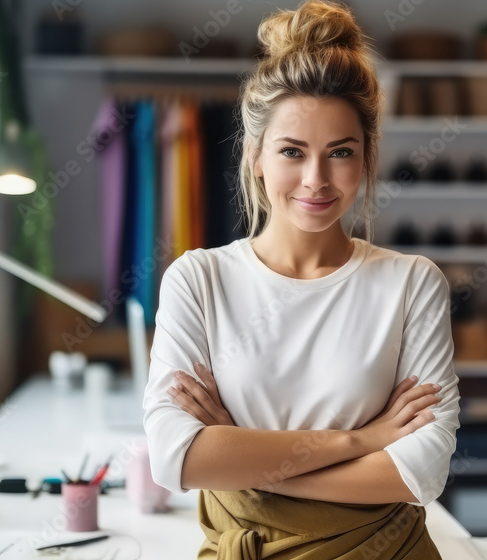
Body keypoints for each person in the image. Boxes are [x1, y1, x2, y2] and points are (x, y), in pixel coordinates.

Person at [141, 1, 461, 558]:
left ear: (366, 159)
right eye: (293, 151)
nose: (316, 180)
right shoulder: (198, 280)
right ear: (257, 156)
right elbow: (177, 459)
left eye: (341, 152)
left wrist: (248, 463)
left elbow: (421, 473)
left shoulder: (412, 283)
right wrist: (359, 442)